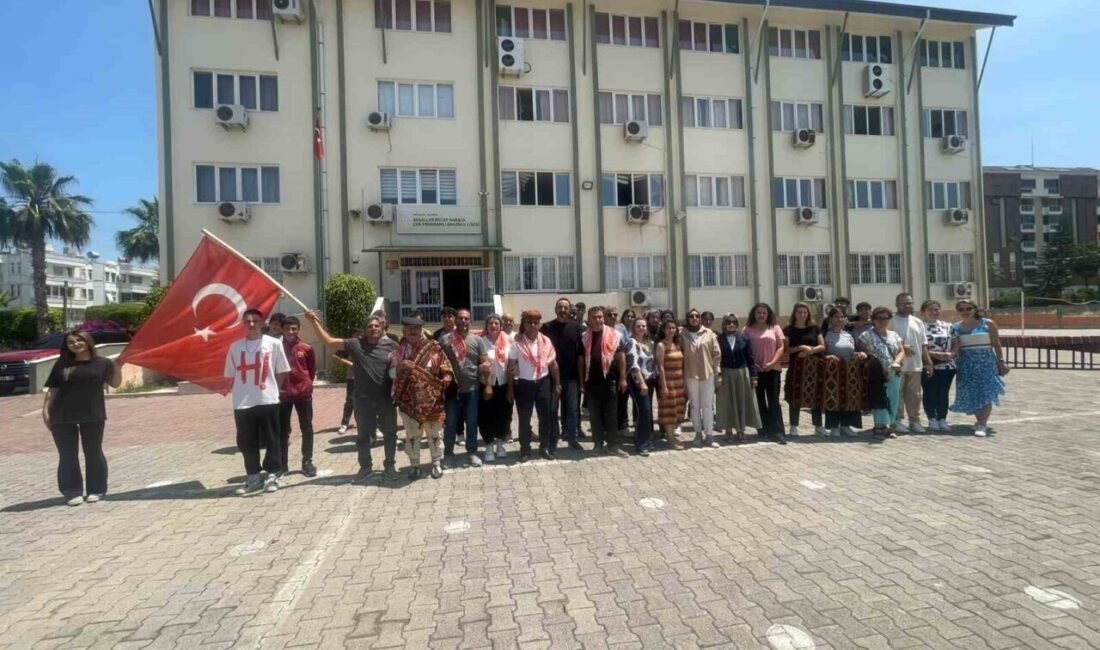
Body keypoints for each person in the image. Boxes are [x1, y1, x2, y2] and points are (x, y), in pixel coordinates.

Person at [304, 312, 400, 481]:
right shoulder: (355, 344)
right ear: (364, 330)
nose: (373, 328)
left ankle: (390, 465)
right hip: (362, 399)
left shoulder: (392, 346)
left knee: (390, 434)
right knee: (363, 436)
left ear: (383, 327)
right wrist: (314, 322)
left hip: (385, 398)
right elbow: (329, 341)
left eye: (377, 326)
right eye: (370, 326)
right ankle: (365, 467)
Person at [42, 330, 123, 506]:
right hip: (62, 415)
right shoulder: (62, 364)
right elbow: (52, 390)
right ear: (67, 346)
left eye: (79, 340)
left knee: (93, 452)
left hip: (93, 414)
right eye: (71, 342)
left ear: (88, 342)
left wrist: (117, 368)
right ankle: (72, 492)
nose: (76, 344)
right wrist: (46, 412)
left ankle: (97, 490)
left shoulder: (103, 363)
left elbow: (115, 384)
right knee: (67, 455)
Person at [225, 308, 290, 495]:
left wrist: (272, 391)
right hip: (243, 402)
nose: (252, 324)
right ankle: (253, 476)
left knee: (272, 440)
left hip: (268, 400)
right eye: (248, 321)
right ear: (243, 324)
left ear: (262, 323)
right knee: (247, 442)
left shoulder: (274, 344)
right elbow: (230, 374)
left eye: (255, 320)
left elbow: (282, 371)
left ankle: (272, 475)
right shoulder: (235, 347)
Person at [393, 316, 452, 479]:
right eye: (409, 329)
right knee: (412, 435)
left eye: (416, 329)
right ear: (404, 331)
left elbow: (446, 367)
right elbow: (390, 374)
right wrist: (400, 367)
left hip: (432, 401)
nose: (413, 332)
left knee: (434, 434)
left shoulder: (434, 348)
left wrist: (446, 377)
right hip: (408, 403)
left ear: (421, 330)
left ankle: (436, 464)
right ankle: (415, 465)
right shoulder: (397, 351)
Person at [508, 310, 561, 461]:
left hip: (543, 383)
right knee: (524, 419)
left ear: (540, 324)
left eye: (535, 322)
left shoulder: (546, 341)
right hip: (524, 385)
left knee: (545, 418)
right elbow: (511, 368)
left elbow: (553, 365)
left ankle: (543, 447)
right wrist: (510, 389)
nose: (532, 325)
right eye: (528, 322)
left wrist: (557, 383)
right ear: (524, 324)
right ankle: (525, 449)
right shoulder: (516, 343)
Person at [440, 309, 491, 467]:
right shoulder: (445, 340)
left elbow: (486, 365)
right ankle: (448, 454)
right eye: (460, 318)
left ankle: (472, 453)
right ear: (456, 320)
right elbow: (439, 364)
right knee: (450, 424)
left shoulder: (477, 340)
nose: (463, 321)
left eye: (466, 318)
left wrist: (488, 385)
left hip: (472, 390)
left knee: (471, 422)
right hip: (452, 391)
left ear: (470, 320)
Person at [950, 299, 1007, 437]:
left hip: (986, 362)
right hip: (966, 364)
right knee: (972, 393)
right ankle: (979, 421)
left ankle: (982, 424)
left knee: (987, 392)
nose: (965, 312)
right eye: (961, 309)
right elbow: (955, 347)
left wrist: (1001, 361)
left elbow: (996, 344)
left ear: (975, 309)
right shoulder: (955, 327)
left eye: (968, 308)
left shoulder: (988, 323)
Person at [580, 306, 629, 457]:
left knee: (611, 415)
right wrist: (582, 382)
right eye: (594, 317)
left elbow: (621, 357)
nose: (598, 320)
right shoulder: (583, 337)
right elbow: (580, 361)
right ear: (589, 320)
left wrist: (622, 378)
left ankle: (613, 445)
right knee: (594, 416)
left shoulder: (615, 335)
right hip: (591, 383)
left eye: (600, 317)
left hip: (610, 381)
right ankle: (597, 444)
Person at [276, 316, 317, 477]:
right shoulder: (276, 347)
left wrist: (306, 385)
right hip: (283, 395)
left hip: (303, 394)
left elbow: (311, 370)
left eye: (294, 329)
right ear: (282, 330)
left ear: (298, 329)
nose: (291, 332)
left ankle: (307, 462)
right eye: (287, 329)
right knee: (283, 431)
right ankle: (282, 464)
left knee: (307, 429)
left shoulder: (306, 348)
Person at [542, 297, 584, 451]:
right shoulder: (546, 327)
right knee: (552, 410)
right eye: (560, 307)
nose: (563, 310)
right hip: (551, 378)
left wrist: (581, 379)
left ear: (569, 309)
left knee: (573, 411)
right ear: (555, 309)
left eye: (566, 307)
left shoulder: (577, 328)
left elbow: (581, 355)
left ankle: (572, 439)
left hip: (572, 377)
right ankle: (552, 441)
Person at [889, 293, 934, 434]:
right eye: (903, 303)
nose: (907, 306)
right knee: (898, 394)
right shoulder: (892, 321)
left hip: (915, 365)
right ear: (897, 304)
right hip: (898, 365)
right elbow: (888, 339)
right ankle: (897, 421)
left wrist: (929, 362)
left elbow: (923, 344)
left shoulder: (917, 321)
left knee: (914, 395)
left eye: (909, 303)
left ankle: (914, 421)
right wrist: (902, 347)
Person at [859, 307, 906, 439]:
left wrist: (897, 362)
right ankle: (879, 425)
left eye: (885, 318)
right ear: (873, 320)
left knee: (893, 398)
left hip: (894, 371)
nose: (882, 321)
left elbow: (902, 351)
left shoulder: (894, 335)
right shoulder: (866, 335)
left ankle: (890, 425)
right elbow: (861, 352)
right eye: (879, 318)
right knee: (879, 397)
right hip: (876, 372)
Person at [715, 313, 761, 444]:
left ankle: (741, 430)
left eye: (734, 322)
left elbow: (750, 359)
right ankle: (728, 430)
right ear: (724, 324)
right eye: (728, 322)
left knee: (741, 402)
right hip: (725, 373)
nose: (731, 324)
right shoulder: (719, 339)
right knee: (727, 402)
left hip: (741, 373)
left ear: (736, 324)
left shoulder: (744, 338)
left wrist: (754, 376)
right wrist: (717, 375)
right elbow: (716, 359)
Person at [680, 309, 723, 448]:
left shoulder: (709, 333)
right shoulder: (682, 334)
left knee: (707, 406)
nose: (694, 318)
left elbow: (716, 354)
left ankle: (709, 435)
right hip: (690, 374)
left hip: (707, 374)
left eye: (696, 316)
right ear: (687, 318)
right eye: (691, 316)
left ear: (700, 318)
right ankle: (698, 433)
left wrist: (718, 373)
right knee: (694, 405)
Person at [745, 303, 787, 443]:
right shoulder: (747, 329)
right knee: (759, 401)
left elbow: (781, 347)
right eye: (758, 312)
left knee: (774, 401)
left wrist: (773, 362)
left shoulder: (775, 328)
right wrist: (752, 365)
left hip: (772, 369)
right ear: (754, 314)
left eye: (764, 312)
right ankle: (763, 430)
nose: (761, 315)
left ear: (768, 314)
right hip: (755, 371)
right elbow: (743, 348)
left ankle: (777, 431)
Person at [783, 302, 825, 437]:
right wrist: (801, 347)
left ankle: (818, 426)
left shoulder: (815, 328)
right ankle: (793, 427)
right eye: (799, 312)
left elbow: (822, 346)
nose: (802, 314)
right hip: (796, 368)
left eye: (805, 312)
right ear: (794, 314)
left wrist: (811, 350)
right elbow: (786, 349)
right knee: (795, 396)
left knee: (816, 396)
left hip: (814, 367)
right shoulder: (788, 330)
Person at [820, 307, 863, 437]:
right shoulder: (824, 335)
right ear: (830, 319)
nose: (839, 319)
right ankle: (834, 426)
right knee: (833, 399)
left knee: (849, 398)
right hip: (832, 372)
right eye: (836, 317)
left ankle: (846, 425)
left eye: (842, 317)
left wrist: (858, 354)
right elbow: (821, 353)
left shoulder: (848, 335)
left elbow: (851, 352)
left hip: (850, 372)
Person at [480, 314, 513, 462]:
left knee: (505, 414)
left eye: (496, 323)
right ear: (486, 326)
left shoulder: (508, 341)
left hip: (505, 384)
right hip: (487, 384)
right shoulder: (481, 342)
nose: (494, 326)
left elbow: (512, 364)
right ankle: (488, 445)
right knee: (486, 415)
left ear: (501, 326)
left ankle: (500, 443)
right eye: (491, 323)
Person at [921, 300, 957, 432]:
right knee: (930, 392)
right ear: (923, 312)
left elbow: (956, 342)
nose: (934, 312)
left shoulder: (947, 326)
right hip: (928, 365)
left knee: (943, 393)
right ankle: (931, 418)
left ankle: (942, 418)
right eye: (930, 309)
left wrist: (951, 353)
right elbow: (919, 347)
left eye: (936, 309)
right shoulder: (920, 326)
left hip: (948, 366)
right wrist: (934, 354)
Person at [625, 318, 656, 456]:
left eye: (644, 325)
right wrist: (642, 382)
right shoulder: (632, 343)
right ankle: (641, 444)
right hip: (638, 382)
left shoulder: (648, 343)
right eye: (638, 326)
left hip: (649, 381)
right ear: (633, 328)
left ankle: (647, 441)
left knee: (647, 412)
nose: (642, 328)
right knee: (643, 411)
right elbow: (633, 365)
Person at [655, 320, 688, 450]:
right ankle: (670, 438)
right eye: (669, 328)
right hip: (667, 382)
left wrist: (684, 382)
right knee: (668, 411)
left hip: (678, 382)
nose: (671, 330)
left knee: (676, 409)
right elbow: (660, 366)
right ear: (664, 330)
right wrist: (664, 386)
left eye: (673, 328)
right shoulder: (661, 345)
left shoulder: (677, 344)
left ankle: (672, 435)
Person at [333, 328, 361, 435]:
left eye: (359, 335)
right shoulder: (348, 347)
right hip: (352, 377)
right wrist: (348, 362)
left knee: (363, 402)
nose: (358, 337)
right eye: (356, 335)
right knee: (350, 400)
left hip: (365, 378)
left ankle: (362, 423)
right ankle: (344, 423)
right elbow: (335, 356)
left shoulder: (365, 346)